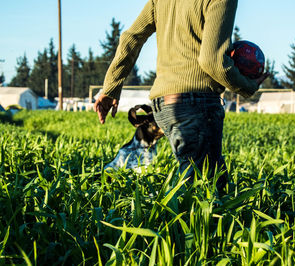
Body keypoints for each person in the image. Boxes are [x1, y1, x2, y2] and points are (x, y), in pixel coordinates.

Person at [94, 0, 268, 191]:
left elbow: (131, 38)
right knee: (201, 196)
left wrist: (110, 88)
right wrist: (247, 86)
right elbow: (212, 60)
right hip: (196, 106)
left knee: (215, 186)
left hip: (163, 106)